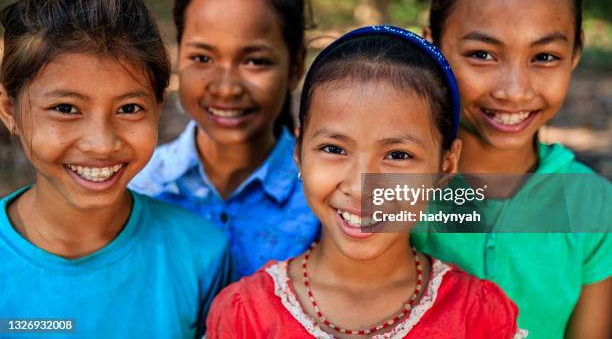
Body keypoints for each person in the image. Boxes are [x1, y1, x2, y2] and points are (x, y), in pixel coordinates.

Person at [206, 26, 527, 338]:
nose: (362, 189)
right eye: (334, 149)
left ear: (446, 164)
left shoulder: (477, 318)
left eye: (398, 155)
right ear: (299, 152)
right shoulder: (246, 316)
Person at [0, 0, 231, 338]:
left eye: (128, 109)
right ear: (10, 109)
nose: (102, 143)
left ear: (158, 107)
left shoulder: (200, 254)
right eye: (65, 108)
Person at [413, 0, 612, 338]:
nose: (514, 90)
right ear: (432, 47)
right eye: (482, 54)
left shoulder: (591, 204)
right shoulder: (397, 183)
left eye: (544, 57)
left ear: (574, 54)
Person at [131, 0, 320, 278]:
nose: (227, 88)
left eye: (255, 61)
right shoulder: (138, 188)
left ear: (296, 67)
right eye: (202, 57)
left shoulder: (331, 195)